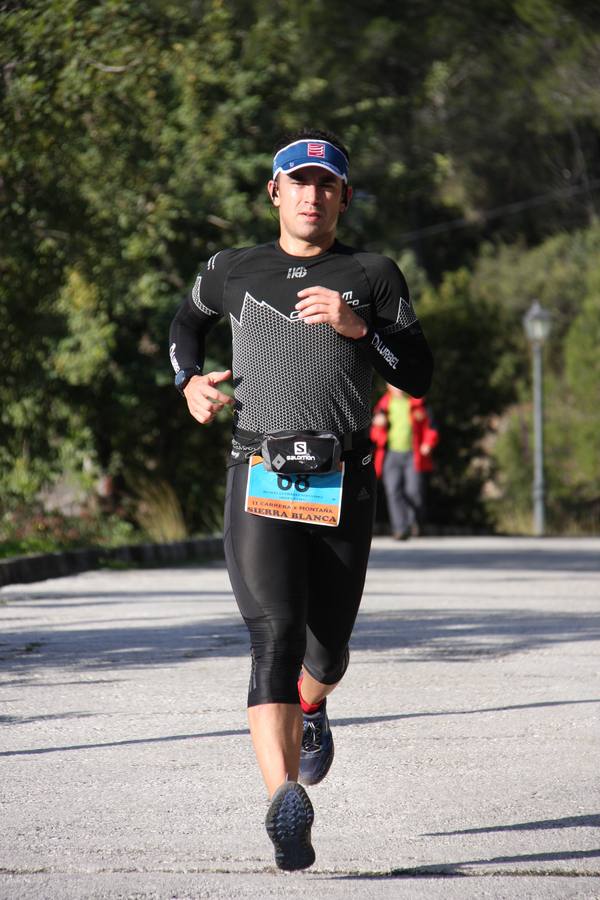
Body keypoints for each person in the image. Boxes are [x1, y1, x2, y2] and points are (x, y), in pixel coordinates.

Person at [168, 128, 433, 871]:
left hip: (343, 478)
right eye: (299, 181)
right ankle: (284, 800)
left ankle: (313, 710)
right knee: (273, 637)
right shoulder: (234, 270)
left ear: (343, 197)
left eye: (327, 184)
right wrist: (188, 380)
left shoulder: (374, 275)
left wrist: (361, 328)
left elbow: (417, 375)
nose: (312, 195)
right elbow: (186, 325)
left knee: (327, 650)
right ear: (275, 193)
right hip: (259, 472)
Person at [370, 385, 439, 539]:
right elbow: (374, 434)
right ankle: (400, 529)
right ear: (388, 386)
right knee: (393, 491)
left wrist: (428, 443)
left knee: (414, 491)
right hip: (390, 454)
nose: (398, 388)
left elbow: (432, 428)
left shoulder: (418, 403)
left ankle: (415, 523)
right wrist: (378, 424)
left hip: (413, 454)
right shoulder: (384, 404)